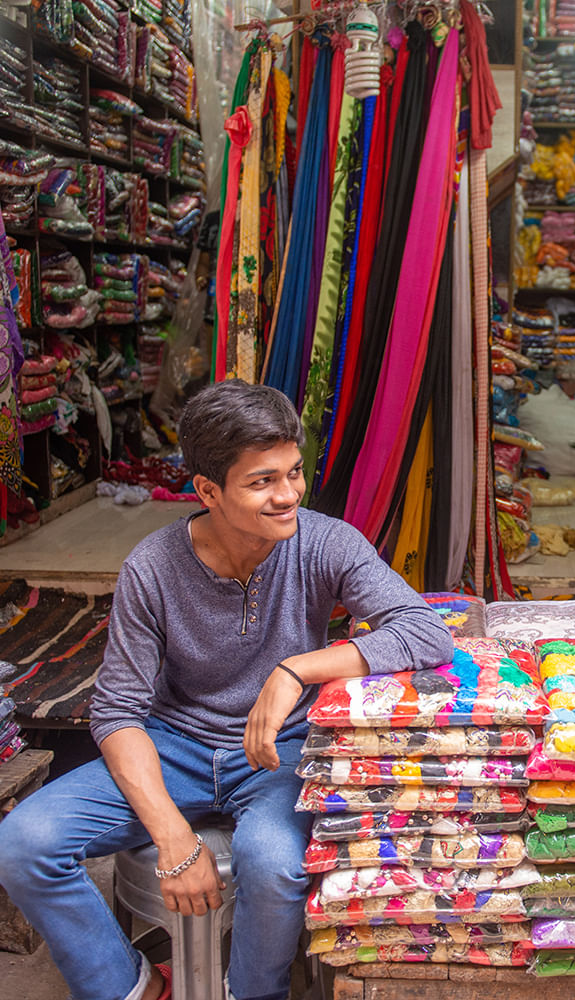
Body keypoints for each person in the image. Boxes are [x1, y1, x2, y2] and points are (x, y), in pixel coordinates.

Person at [0, 380, 454, 1000]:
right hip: (174, 748)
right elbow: (117, 710)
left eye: (294, 473)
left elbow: (426, 631)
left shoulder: (326, 543)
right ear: (208, 491)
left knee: (273, 862)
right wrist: (171, 836)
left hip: (283, 751)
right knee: (23, 843)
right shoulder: (153, 566)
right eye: (262, 481)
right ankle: (128, 987)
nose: (288, 495)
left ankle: (253, 993)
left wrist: (297, 669)